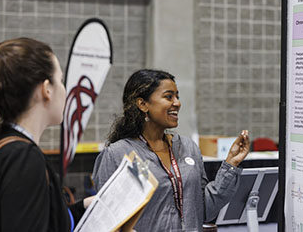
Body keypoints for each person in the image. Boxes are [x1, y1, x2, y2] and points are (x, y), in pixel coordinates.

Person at [92, 69, 250, 231]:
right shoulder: (118, 154)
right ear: (143, 104)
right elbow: (106, 220)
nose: (177, 103)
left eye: (177, 96)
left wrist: (231, 164)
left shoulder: (188, 148)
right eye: (168, 97)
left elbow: (203, 210)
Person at [0, 37, 93, 231]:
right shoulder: (22, 158)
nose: (64, 89)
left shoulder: (0, 144)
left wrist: (83, 208)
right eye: (60, 81)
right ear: (46, 90)